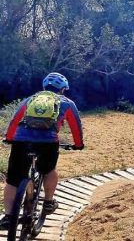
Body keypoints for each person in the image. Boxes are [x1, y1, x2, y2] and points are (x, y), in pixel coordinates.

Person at [0, 72, 84, 230]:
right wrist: (78, 144)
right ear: (63, 89)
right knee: (49, 170)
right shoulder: (66, 103)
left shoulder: (30, 100)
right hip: (48, 142)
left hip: (22, 141)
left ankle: (8, 216)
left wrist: (10, 138)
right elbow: (75, 126)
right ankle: (48, 202)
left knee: (13, 180)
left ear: (44, 87)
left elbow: (15, 120)